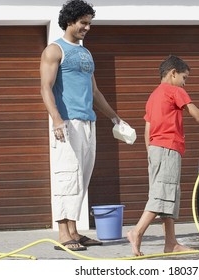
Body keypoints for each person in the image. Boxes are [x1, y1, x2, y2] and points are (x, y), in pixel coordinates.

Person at [127, 55, 199, 256]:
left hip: (155, 150)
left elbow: (147, 128)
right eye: (184, 77)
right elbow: (197, 115)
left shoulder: (153, 96)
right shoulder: (175, 91)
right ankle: (137, 232)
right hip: (167, 149)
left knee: (167, 197)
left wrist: (151, 154)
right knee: (162, 196)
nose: (185, 82)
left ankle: (171, 243)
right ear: (173, 74)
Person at [40, 0, 124, 251]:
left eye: (89, 23)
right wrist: (56, 118)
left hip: (88, 122)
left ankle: (75, 231)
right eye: (83, 23)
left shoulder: (86, 53)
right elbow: (45, 88)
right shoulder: (54, 50)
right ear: (70, 21)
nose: (87, 27)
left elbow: (95, 91)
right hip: (67, 122)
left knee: (82, 177)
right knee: (67, 176)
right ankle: (63, 235)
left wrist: (113, 116)